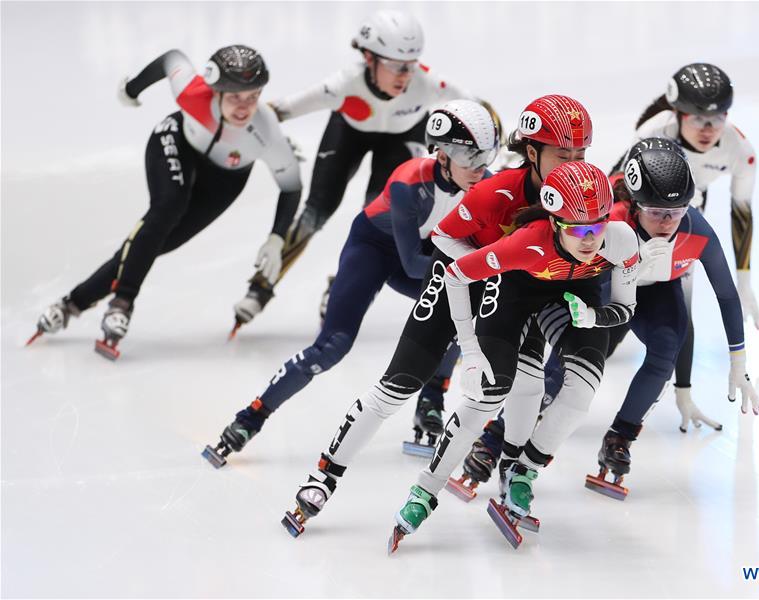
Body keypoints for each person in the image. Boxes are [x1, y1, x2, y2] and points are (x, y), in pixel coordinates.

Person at [278, 95, 593, 539]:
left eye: (581, 154)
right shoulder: (497, 190)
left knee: (530, 381)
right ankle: (324, 478)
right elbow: (444, 238)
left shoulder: (583, 193)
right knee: (397, 386)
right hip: (458, 281)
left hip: (516, 294)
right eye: (564, 154)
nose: (574, 164)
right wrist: (490, 264)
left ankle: (515, 474)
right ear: (532, 151)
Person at [201, 99, 499, 468]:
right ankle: (252, 416)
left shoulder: (485, 184)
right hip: (375, 249)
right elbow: (411, 263)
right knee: (332, 347)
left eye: (487, 157)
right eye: (469, 158)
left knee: (461, 315)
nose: (480, 169)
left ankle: (431, 401)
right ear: (441, 155)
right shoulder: (409, 182)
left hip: (426, 252)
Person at [390, 161, 639, 551]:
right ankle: (425, 489)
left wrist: (593, 316)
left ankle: (524, 471)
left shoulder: (622, 240)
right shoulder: (526, 243)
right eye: (577, 228)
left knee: (581, 394)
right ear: (555, 222)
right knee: (488, 393)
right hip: (515, 297)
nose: (590, 239)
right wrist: (469, 349)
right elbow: (455, 275)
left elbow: (625, 308)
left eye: (597, 226)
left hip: (575, 300)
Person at [28, 45, 302, 360]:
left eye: (253, 97)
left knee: (156, 243)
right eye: (235, 97)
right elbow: (171, 59)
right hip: (177, 142)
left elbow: (292, 187)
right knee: (168, 206)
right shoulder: (193, 92)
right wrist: (131, 90)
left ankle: (72, 303)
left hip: (226, 178)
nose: (245, 107)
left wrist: (276, 237)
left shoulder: (266, 131)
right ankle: (123, 303)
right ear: (215, 92)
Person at [230, 9, 496, 333]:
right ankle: (260, 286)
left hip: (401, 139)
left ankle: (340, 282)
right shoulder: (345, 83)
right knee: (316, 212)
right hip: (348, 135)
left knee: (378, 219)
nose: (405, 76)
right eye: (397, 66)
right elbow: (281, 110)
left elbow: (481, 110)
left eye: (411, 66)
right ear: (369, 58)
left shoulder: (425, 82)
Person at [580, 138, 759, 500]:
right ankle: (508, 425)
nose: (666, 221)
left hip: (655, 293)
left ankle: (620, 437)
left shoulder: (696, 229)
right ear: (633, 206)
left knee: (666, 347)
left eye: (676, 212)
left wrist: (738, 360)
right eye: (656, 212)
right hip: (606, 291)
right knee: (579, 360)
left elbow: (726, 295)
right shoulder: (610, 222)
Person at [633, 62, 759, 426]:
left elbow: (742, 213)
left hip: (686, 207)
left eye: (718, 118)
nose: (708, 129)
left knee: (680, 298)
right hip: (648, 206)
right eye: (696, 118)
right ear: (677, 113)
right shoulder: (652, 133)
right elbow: (626, 195)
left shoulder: (741, 150)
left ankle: (683, 393)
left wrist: (745, 282)